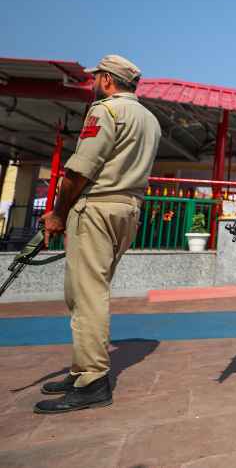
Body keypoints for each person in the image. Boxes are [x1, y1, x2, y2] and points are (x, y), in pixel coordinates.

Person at [35, 55, 161, 413]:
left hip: (97, 207)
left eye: (96, 79)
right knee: (88, 290)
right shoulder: (150, 119)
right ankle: (81, 370)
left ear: (106, 80)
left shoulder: (106, 111)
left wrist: (58, 212)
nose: (93, 84)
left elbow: (81, 168)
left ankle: (91, 379)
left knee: (87, 294)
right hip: (127, 209)